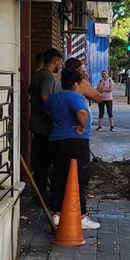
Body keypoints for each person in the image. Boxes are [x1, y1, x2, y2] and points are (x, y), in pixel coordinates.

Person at [44, 69, 100, 230]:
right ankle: (81, 216)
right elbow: (82, 112)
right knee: (79, 178)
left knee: (59, 177)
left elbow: (45, 105)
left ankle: (57, 214)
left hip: (55, 141)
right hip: (75, 142)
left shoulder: (55, 98)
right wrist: (82, 126)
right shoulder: (75, 97)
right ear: (76, 84)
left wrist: (59, 118)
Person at [28, 48, 63, 203]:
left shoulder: (36, 74)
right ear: (54, 60)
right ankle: (41, 194)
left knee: (39, 160)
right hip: (44, 125)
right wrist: (55, 115)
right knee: (44, 161)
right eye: (59, 62)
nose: (59, 65)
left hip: (35, 122)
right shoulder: (48, 77)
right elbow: (45, 97)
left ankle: (39, 191)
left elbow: (30, 92)